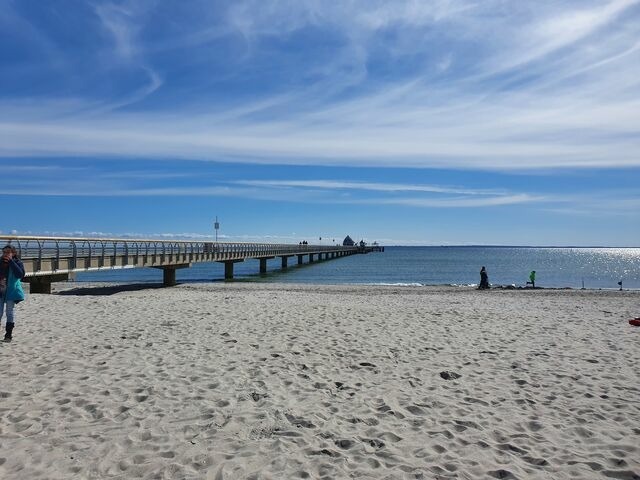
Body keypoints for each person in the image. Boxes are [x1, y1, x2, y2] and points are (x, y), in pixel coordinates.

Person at [0, 245, 25, 342]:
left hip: (12, 290)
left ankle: (8, 335)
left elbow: (20, 275)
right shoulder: (0, 261)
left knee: (9, 312)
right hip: (1, 290)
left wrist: (11, 262)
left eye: (7, 252)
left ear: (13, 253)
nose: (5, 254)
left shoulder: (18, 262)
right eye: (4, 252)